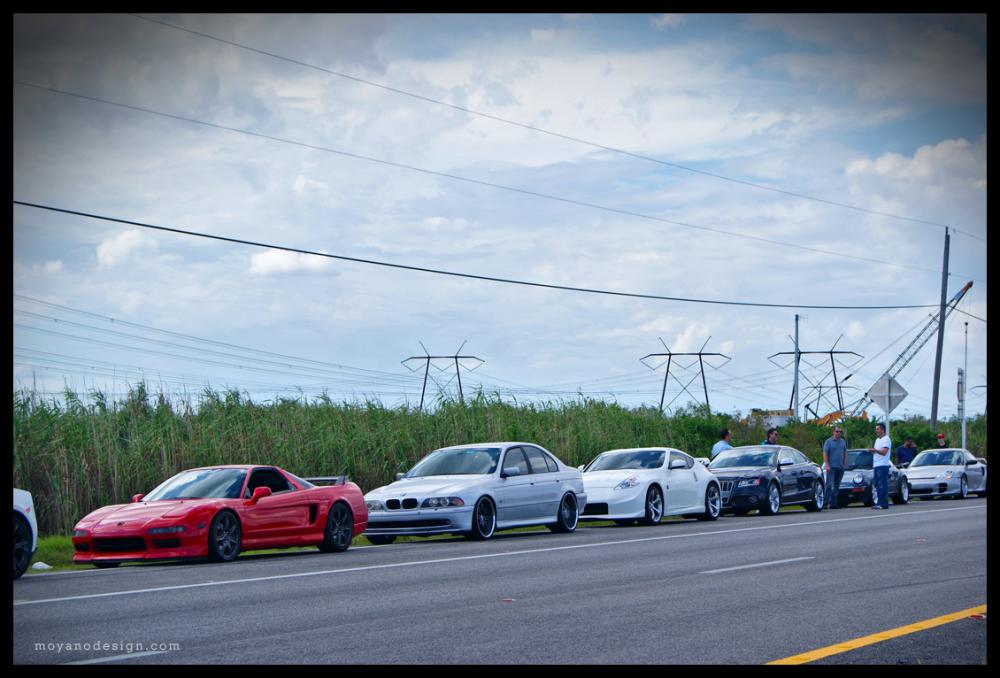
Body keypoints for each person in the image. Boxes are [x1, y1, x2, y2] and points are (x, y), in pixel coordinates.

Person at [823, 426, 847, 509]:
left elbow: (844, 452)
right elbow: (825, 453)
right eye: (837, 431)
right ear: (833, 432)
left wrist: (844, 464)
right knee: (829, 485)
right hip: (831, 467)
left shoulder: (843, 442)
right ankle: (824, 503)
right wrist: (827, 465)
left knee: (837, 486)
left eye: (840, 431)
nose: (838, 433)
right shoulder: (828, 442)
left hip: (840, 467)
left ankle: (833, 503)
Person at [869, 423, 892, 510]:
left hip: (883, 465)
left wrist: (875, 450)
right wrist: (873, 451)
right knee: (877, 485)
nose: (876, 431)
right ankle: (879, 503)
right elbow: (878, 451)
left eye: (878, 429)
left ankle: (884, 503)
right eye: (876, 429)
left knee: (882, 485)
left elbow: (884, 452)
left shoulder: (886, 439)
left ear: (882, 430)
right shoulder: (877, 440)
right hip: (876, 465)